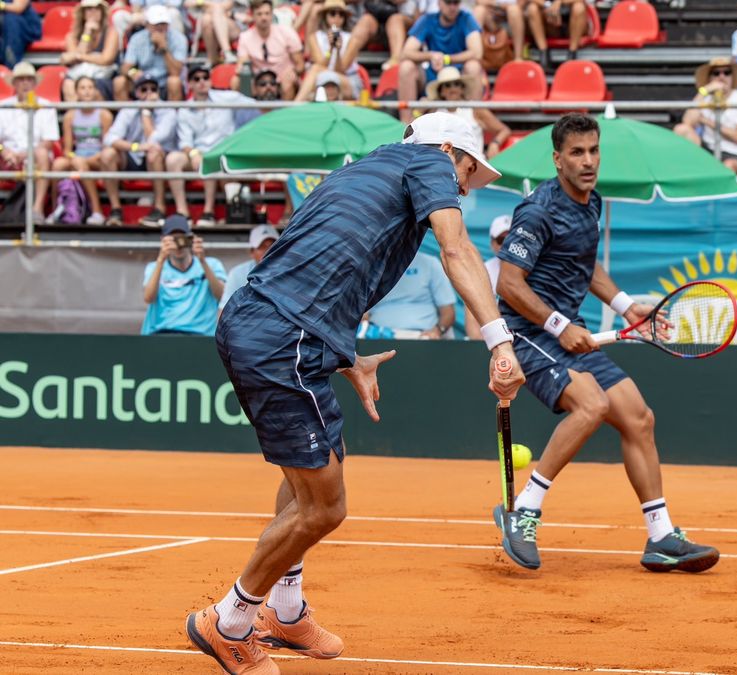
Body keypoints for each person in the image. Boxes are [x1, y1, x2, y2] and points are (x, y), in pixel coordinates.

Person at [185, 111, 522, 675]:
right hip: (280, 337)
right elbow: (458, 249)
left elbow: (312, 270)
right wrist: (499, 341)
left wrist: (346, 357)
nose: (464, 186)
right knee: (326, 507)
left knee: (309, 478)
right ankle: (230, 621)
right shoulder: (429, 162)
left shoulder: (358, 172)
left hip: (279, 330)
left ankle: (286, 610)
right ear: (447, 151)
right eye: (467, 170)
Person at [491, 113, 718, 574]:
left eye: (593, 150)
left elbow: (585, 266)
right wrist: (558, 325)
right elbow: (509, 285)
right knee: (591, 406)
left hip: (566, 329)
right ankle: (523, 511)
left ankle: (660, 538)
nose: (588, 160)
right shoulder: (537, 211)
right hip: (527, 333)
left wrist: (625, 305)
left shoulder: (592, 203)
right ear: (557, 159)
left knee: (639, 417)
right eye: (576, 152)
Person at [167, 64, 254, 226]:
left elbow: (256, 105)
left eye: (205, 78)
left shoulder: (226, 97)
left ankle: (208, 211)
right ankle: (182, 211)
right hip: (197, 153)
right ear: (190, 84)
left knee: (209, 158)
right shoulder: (185, 109)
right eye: (196, 79)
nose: (202, 82)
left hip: (222, 152)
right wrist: (193, 154)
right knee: (173, 159)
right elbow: (185, 143)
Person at [98, 74, 178, 226]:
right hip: (133, 157)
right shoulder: (129, 109)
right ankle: (116, 210)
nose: (149, 93)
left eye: (153, 89)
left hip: (158, 160)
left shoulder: (168, 111)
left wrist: (146, 112)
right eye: (144, 89)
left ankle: (159, 208)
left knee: (154, 153)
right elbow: (110, 138)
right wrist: (135, 147)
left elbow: (153, 140)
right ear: (137, 92)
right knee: (108, 154)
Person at [397, 0, 484, 122]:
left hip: (458, 78)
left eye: (456, 3)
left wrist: (446, 59)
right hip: (433, 77)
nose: (452, 7)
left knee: (473, 66)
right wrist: (431, 55)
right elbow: (406, 52)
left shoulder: (467, 18)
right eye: (448, 3)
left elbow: (477, 52)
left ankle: (476, 120)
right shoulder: (427, 19)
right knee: (406, 66)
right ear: (439, 3)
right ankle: (405, 123)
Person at [142, 215, 227, 335]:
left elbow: (222, 296)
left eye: (182, 238)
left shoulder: (212, 264)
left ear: (191, 238)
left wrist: (202, 261)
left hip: (201, 335)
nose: (178, 244)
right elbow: (148, 298)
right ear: (163, 240)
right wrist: (161, 259)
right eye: (173, 239)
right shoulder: (154, 267)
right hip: (163, 333)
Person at [672, 57, 737, 174]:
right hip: (710, 150)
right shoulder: (705, 98)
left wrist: (706, 121)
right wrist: (704, 91)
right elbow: (687, 123)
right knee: (681, 129)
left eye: (727, 72)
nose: (721, 77)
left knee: (728, 166)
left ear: (732, 77)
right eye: (716, 73)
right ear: (710, 78)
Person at [0, 62, 60, 225]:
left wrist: (23, 155)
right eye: (21, 79)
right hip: (6, 157)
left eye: (28, 79)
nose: (25, 83)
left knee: (41, 154)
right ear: (14, 84)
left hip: (35, 157)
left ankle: (37, 208)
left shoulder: (46, 106)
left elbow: (47, 142)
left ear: (34, 83)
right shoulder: (3, 106)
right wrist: (5, 152)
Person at [48, 76, 111, 226]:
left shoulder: (104, 114)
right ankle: (55, 209)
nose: (87, 91)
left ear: (95, 91)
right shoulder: (70, 115)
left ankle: (97, 211)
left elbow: (107, 146)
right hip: (77, 157)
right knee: (57, 164)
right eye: (83, 88)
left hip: (98, 157)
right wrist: (72, 157)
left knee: (80, 162)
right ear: (76, 92)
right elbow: (68, 149)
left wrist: (82, 160)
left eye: (90, 87)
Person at [360, 251, 457, 338]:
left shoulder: (430, 263)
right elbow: (362, 312)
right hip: (378, 336)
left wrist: (438, 330)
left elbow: (448, 312)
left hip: (421, 337)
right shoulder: (371, 266)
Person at [424, 66, 510, 157]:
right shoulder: (435, 112)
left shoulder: (474, 109)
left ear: (462, 88)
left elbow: (504, 130)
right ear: (441, 92)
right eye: (448, 85)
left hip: (474, 165)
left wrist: (495, 143)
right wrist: (418, 111)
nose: (453, 88)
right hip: (444, 165)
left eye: (456, 84)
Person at [232, 0, 305, 99]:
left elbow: (300, 65)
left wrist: (293, 72)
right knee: (236, 81)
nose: (264, 17)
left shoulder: (287, 32)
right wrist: (242, 71)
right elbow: (242, 64)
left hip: (282, 79)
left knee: (287, 82)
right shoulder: (245, 37)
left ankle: (286, 114)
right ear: (252, 15)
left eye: (267, 13)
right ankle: (247, 113)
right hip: (259, 80)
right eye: (259, 14)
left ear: (272, 14)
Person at [114, 5, 187, 101]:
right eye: (156, 24)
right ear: (147, 25)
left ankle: (172, 115)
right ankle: (125, 115)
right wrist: (133, 72)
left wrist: (164, 49)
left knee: (174, 82)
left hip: (164, 84)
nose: (160, 28)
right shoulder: (137, 38)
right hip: (142, 83)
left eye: (163, 23)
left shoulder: (179, 38)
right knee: (119, 81)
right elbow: (125, 68)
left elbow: (176, 72)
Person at [295, 0, 362, 101]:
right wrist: (331, 49)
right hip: (322, 79)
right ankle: (297, 104)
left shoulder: (352, 39)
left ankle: (295, 104)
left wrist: (338, 51)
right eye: (332, 13)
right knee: (318, 71)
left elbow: (340, 70)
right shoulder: (314, 37)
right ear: (325, 16)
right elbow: (321, 64)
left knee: (317, 71)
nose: (337, 18)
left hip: (346, 81)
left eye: (341, 14)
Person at [61, 0, 120, 102]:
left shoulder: (111, 33)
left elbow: (106, 59)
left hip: (103, 78)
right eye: (89, 9)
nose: (93, 12)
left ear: (102, 12)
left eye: (97, 9)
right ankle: (75, 116)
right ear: (83, 14)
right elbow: (77, 56)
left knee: (91, 88)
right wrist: (87, 33)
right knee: (68, 84)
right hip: (78, 77)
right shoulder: (72, 36)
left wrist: (80, 57)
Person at [465, 214, 511, 339]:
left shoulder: (534, 271)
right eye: (501, 240)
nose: (506, 244)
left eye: (511, 238)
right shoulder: (481, 271)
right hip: (491, 342)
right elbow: (472, 319)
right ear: (492, 243)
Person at [220, 224, 280, 314]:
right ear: (251, 252)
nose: (268, 251)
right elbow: (224, 310)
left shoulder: (290, 272)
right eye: (262, 247)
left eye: (272, 246)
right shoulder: (237, 273)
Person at [0, 0, 42, 69]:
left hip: (24, 26)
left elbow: (18, 8)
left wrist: (2, 5)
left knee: (11, 21)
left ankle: (11, 66)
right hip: (3, 28)